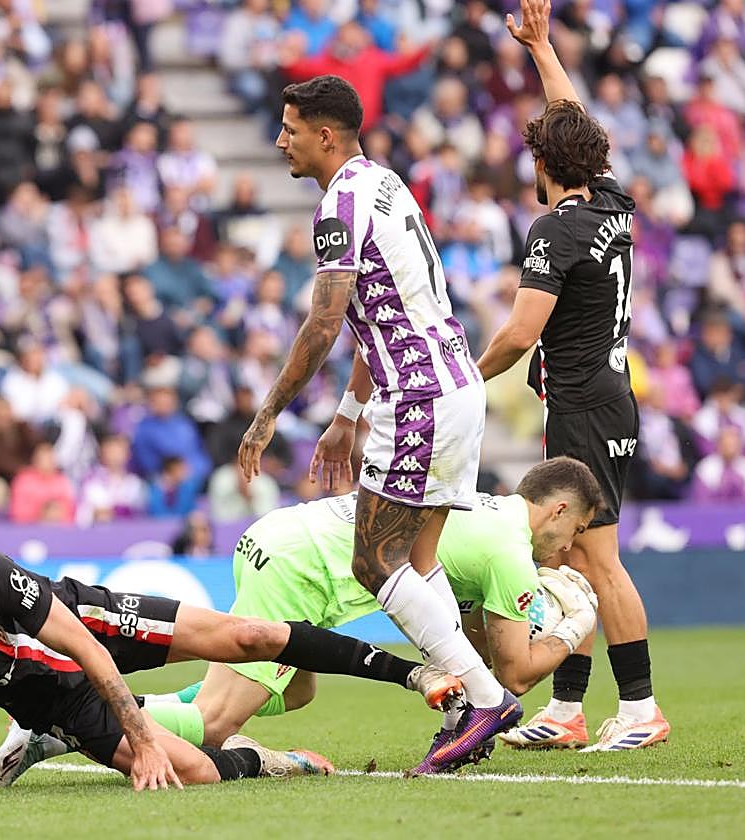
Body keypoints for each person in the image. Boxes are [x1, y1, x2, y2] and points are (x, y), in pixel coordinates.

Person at [236, 73, 518, 776]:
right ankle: (464, 711)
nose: (280, 140)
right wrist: (346, 414)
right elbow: (384, 306)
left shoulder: (336, 208)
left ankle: (482, 697)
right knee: (420, 560)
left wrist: (267, 413)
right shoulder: (385, 184)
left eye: (290, 128)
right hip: (455, 383)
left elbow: (326, 321)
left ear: (324, 135)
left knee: (373, 560)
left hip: (418, 395)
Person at [0, 547, 459, 793]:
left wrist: (145, 739)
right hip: (54, 703)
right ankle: (267, 758)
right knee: (197, 774)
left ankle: (410, 673)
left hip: (89, 629)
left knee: (246, 636)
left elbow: (87, 652)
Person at [476, 0, 669, 752]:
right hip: (605, 396)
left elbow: (522, 332)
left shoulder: (554, 229)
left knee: (596, 558)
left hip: (586, 404)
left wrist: (463, 377)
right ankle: (568, 710)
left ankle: (643, 707)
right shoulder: (613, 203)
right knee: (568, 554)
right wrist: (542, 49)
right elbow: (572, 118)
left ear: (542, 165)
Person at [139, 458, 601, 754]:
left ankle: (141, 704)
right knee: (215, 722)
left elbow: (463, 652)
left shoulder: (482, 511)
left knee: (297, 692)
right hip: (302, 566)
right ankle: (81, 709)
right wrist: (574, 626)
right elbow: (513, 677)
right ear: (558, 511)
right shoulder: (511, 556)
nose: (566, 549)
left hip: (282, 533)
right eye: (576, 531)